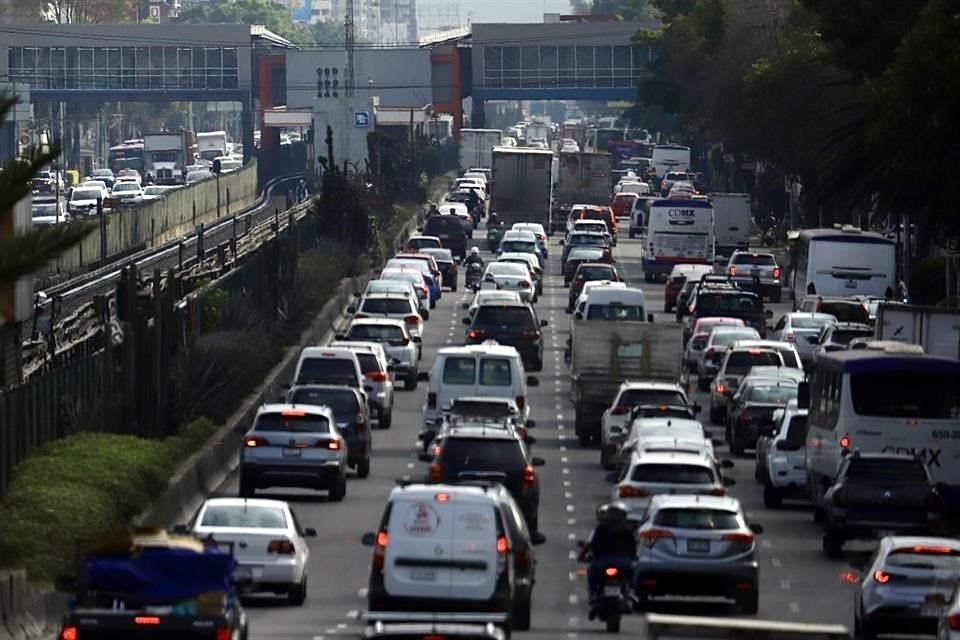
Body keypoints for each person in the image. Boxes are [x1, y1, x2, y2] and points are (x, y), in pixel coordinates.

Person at [579, 502, 637, 619]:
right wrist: (633, 557)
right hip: (623, 562)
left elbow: (592, 544)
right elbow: (633, 547)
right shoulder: (628, 529)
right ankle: (631, 592)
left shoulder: (601, 528)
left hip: (602, 561)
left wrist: (583, 556)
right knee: (631, 573)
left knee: (591, 575)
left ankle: (593, 595)